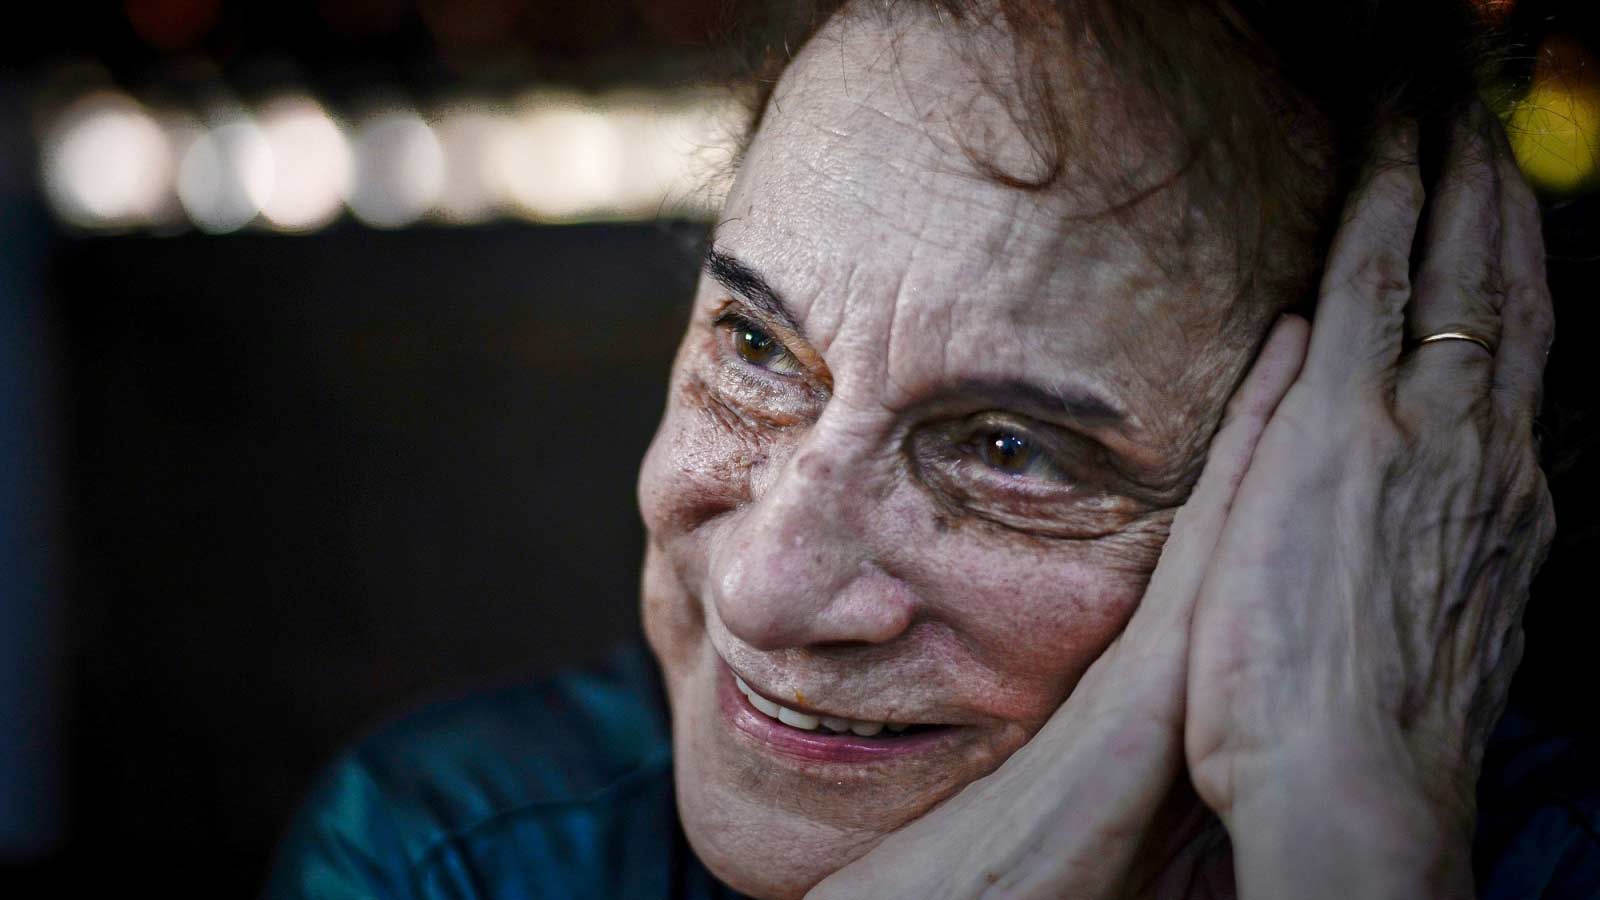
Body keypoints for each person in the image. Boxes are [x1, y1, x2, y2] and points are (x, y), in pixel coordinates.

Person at [264, 1, 1597, 897]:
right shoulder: (462, 854)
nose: (761, 590)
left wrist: (1346, 847)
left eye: (1010, 449)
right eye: (757, 349)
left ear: (1362, 494)